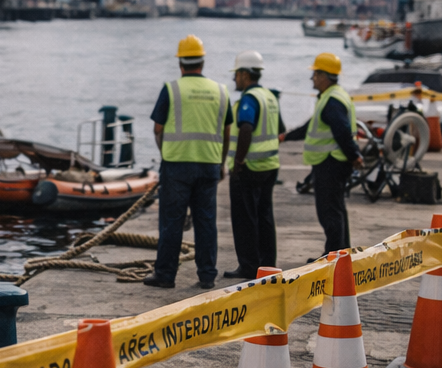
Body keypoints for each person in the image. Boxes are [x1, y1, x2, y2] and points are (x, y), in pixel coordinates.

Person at [146, 34, 232, 290]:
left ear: (180, 63)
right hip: (209, 164)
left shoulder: (171, 89)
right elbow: (227, 132)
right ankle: (207, 276)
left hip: (176, 165)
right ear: (202, 63)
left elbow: (157, 128)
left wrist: (166, 153)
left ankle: (165, 275)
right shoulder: (221, 90)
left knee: (172, 222)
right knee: (206, 221)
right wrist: (221, 162)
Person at [282, 52, 364, 254]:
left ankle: (333, 257)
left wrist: (355, 156)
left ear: (324, 76)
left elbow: (342, 132)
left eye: (315, 74)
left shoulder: (332, 101)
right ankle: (340, 254)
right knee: (336, 209)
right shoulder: (332, 96)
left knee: (329, 212)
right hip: (333, 162)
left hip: (331, 163)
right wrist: (286, 136)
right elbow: (310, 127)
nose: (312, 78)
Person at [224, 50, 284, 280]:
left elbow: (246, 128)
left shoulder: (249, 99)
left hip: (250, 168)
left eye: (236, 74)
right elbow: (279, 128)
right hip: (270, 165)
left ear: (244, 74)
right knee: (265, 216)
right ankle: (267, 263)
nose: (234, 79)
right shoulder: (269, 97)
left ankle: (248, 265)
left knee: (245, 218)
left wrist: (238, 162)